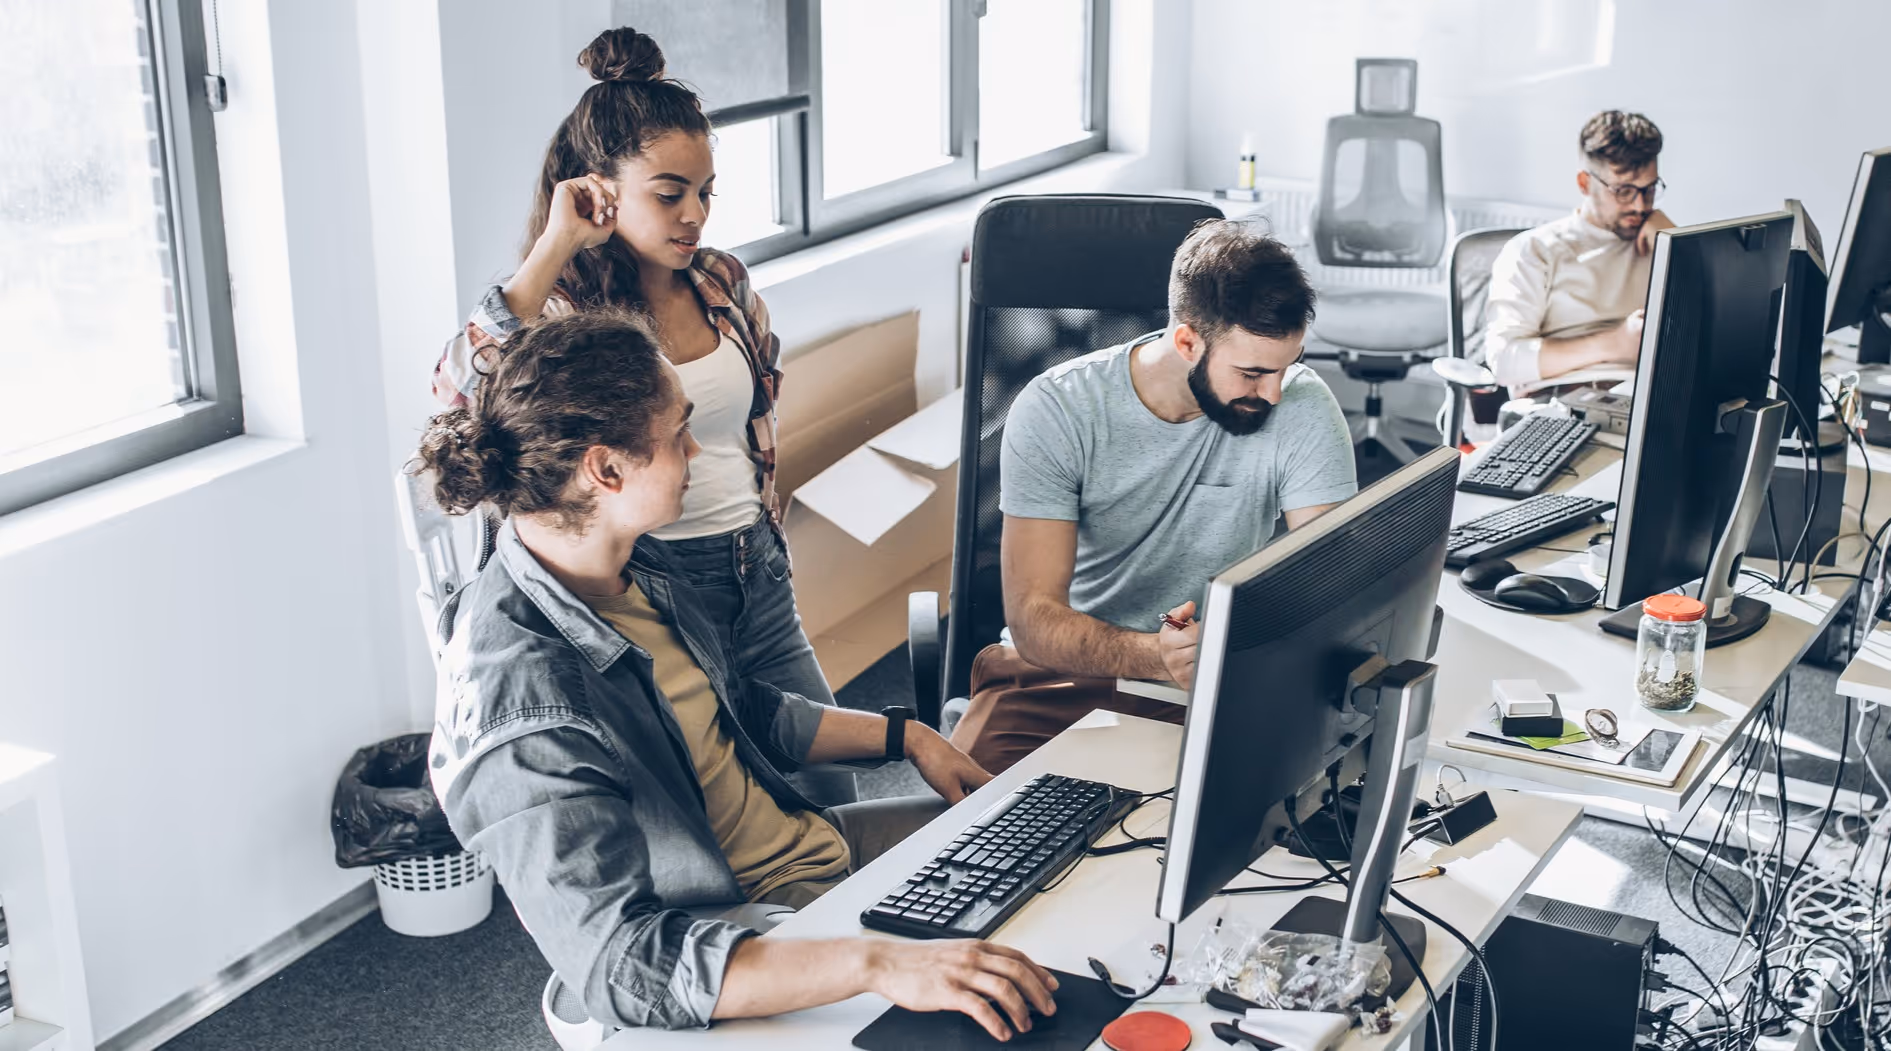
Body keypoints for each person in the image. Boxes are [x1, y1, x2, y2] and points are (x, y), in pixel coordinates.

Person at [420, 309, 1060, 1040]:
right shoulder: (522, 701)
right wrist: (877, 962)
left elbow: (734, 707)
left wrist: (908, 737)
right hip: (737, 921)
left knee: (1035, 844)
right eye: (678, 433)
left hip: (806, 848)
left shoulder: (635, 560)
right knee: (999, 998)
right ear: (606, 469)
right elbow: (622, 964)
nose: (696, 448)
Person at [428, 28, 845, 787]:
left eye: (705, 192)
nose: (694, 215)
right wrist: (555, 245)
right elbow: (457, 393)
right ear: (600, 191)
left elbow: (752, 419)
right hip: (652, 585)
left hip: (755, 567)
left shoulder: (722, 281)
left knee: (829, 787)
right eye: (668, 193)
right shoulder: (563, 317)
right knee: (720, 808)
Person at [949, 221, 1358, 774]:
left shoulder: (1300, 403)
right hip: (1063, 676)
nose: (1273, 392)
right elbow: (1034, 621)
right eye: (1252, 373)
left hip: (1219, 676)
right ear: (1187, 342)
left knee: (1277, 811)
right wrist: (1155, 656)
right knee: (973, 817)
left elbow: (1332, 583)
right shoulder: (1060, 408)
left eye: (1286, 367)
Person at [1482, 110, 1675, 396]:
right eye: (1623, 191)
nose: (1639, 205)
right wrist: (1615, 343)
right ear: (1584, 183)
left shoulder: (1659, 240)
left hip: (1653, 396)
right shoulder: (1534, 250)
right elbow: (1503, 361)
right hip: (1562, 403)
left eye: (1649, 189)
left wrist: (1678, 244)